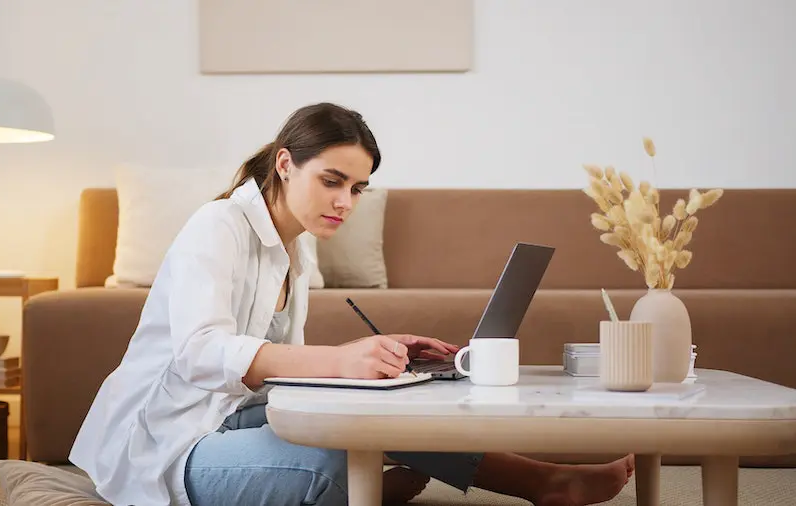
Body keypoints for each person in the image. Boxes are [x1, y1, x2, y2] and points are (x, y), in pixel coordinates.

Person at [69, 102, 635, 506]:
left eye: (357, 189)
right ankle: (365, 491)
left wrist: (374, 360)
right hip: (165, 444)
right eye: (332, 181)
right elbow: (200, 353)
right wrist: (341, 361)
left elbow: (274, 369)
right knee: (336, 461)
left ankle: (543, 481)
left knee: (384, 409)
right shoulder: (217, 226)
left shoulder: (296, 247)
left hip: (226, 416)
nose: (345, 202)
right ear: (286, 164)